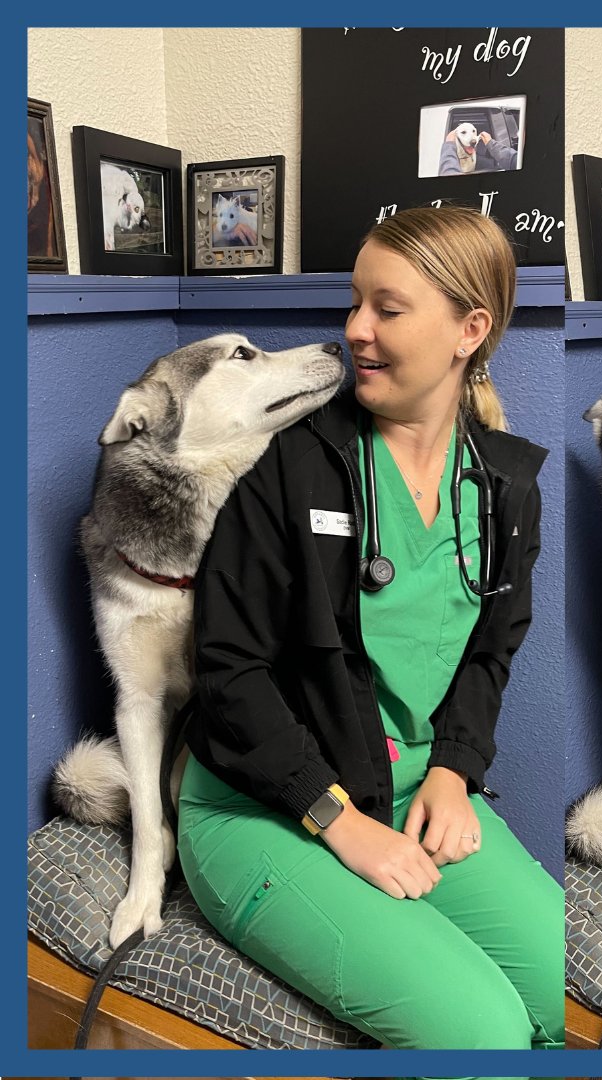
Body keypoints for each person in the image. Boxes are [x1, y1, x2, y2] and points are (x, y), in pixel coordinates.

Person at [176, 204, 564, 1059]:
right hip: (266, 805)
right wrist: (338, 821)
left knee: (557, 995)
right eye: (357, 304)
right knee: (483, 1032)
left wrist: (457, 769)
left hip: (418, 790)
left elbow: (492, 650)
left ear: (470, 329)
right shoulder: (290, 462)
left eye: (387, 309)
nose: (355, 330)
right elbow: (228, 674)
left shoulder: (505, 486)